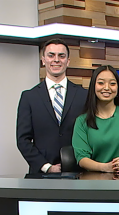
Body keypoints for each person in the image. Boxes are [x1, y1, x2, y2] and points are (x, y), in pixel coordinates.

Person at [17, 39, 88, 174]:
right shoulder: (29, 97)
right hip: (41, 175)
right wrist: (46, 167)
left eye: (61, 56)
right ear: (43, 60)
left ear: (68, 61)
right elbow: (23, 140)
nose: (56, 60)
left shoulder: (83, 95)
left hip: (77, 173)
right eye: (51, 55)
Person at [72, 65, 119, 173]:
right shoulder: (82, 121)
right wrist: (105, 167)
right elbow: (82, 158)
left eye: (112, 84)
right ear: (93, 87)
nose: (107, 88)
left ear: (118, 87)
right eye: (101, 83)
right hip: (95, 181)